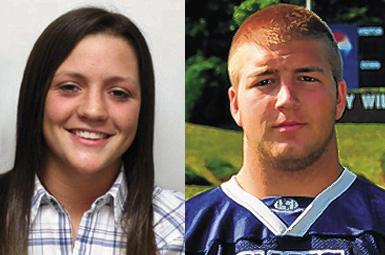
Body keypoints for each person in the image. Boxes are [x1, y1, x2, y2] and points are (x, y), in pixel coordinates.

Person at [186, 3, 385, 254]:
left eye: (307, 78)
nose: (286, 99)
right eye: (265, 81)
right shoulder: (182, 232)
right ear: (235, 104)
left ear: (339, 97)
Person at [0, 7, 184, 255]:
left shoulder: (180, 227)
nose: (94, 111)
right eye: (69, 87)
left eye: (118, 92)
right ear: (37, 96)